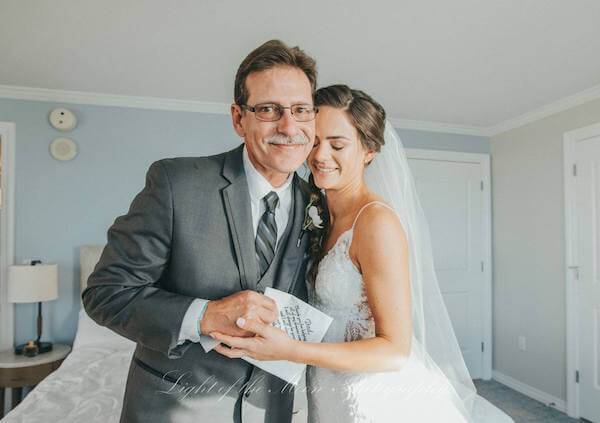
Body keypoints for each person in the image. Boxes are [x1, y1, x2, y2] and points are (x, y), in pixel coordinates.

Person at [211, 85, 515, 422]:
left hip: (371, 396)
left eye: (337, 144)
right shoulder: (315, 209)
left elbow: (394, 350)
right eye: (314, 141)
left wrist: (292, 350)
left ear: (369, 150)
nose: (320, 156)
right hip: (326, 387)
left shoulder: (376, 223)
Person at [82, 39, 318, 423]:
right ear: (238, 119)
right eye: (268, 109)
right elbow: (105, 294)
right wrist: (205, 315)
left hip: (273, 410)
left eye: (300, 110)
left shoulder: (320, 204)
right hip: (173, 409)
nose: (288, 126)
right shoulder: (176, 183)